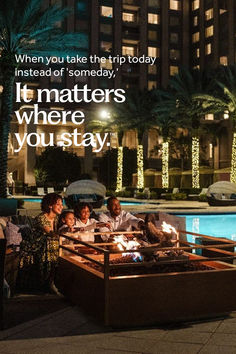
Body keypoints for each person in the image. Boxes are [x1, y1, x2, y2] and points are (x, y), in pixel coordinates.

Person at [19, 193, 63, 292]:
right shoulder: (41, 218)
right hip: (37, 246)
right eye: (58, 204)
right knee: (52, 244)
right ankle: (48, 284)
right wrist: (65, 231)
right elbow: (50, 234)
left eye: (62, 204)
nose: (61, 207)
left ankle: (52, 283)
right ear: (50, 205)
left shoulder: (56, 218)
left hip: (50, 245)